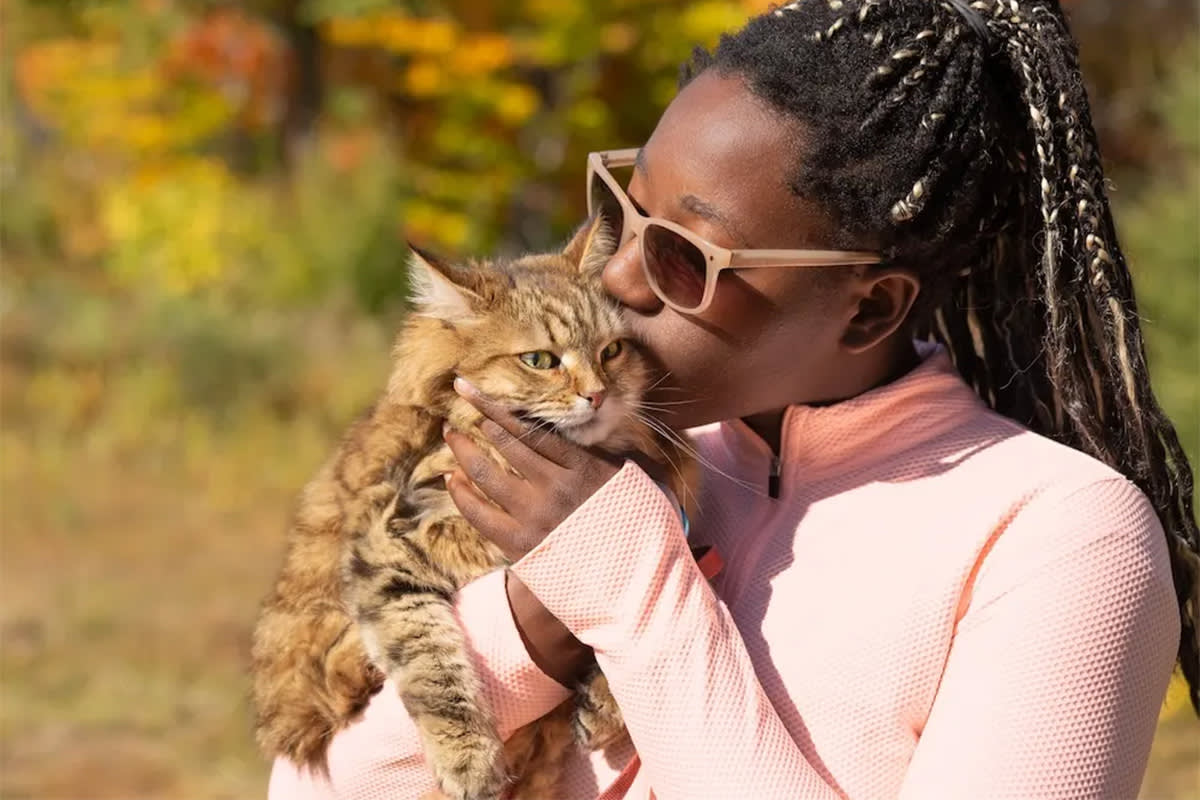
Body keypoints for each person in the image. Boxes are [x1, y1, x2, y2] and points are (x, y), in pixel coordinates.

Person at [268, 1, 1199, 797]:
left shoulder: (1060, 538)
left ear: (869, 306)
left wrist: (634, 589)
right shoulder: (619, 465)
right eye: (622, 214)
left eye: (684, 256)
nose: (616, 280)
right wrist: (523, 635)